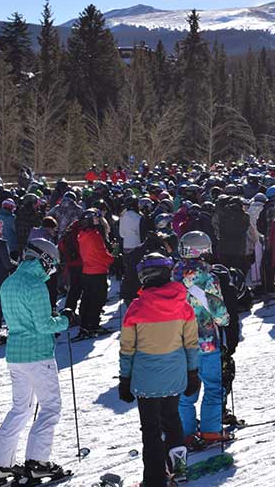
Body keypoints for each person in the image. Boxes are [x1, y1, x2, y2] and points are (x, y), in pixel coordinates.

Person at [0, 239, 72, 487]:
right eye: (50, 266)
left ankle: (0, 465)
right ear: (44, 259)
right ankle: (38, 463)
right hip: (38, 355)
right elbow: (44, 326)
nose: (49, 272)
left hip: (16, 356)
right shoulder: (35, 285)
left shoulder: (9, 282)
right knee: (50, 407)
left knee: (19, 409)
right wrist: (64, 320)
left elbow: (23, 319)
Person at [119, 253, 200, 487]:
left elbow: (127, 349)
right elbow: (191, 344)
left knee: (151, 430)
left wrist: (125, 379)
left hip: (145, 380)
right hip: (174, 376)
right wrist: (192, 372)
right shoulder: (182, 305)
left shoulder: (135, 308)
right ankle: (179, 469)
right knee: (173, 422)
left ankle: (155, 479)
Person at [173, 231, 232, 448]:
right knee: (213, 385)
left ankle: (186, 432)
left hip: (179, 340)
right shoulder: (208, 276)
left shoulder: (173, 274)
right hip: (205, 340)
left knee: (186, 389)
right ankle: (210, 430)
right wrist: (224, 320)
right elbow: (219, 312)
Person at [76, 209, 114, 338]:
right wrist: (113, 259)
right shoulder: (94, 235)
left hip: (87, 271)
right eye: (96, 219)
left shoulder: (81, 235)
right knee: (97, 300)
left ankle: (85, 324)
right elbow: (101, 254)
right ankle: (93, 325)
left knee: (87, 298)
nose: (98, 221)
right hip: (97, 271)